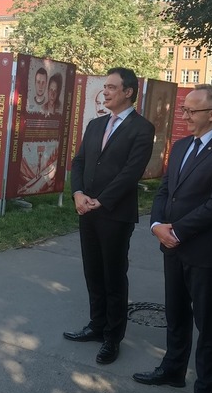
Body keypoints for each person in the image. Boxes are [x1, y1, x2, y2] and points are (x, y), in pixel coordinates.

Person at [133, 84, 212, 393]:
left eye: (190, 110)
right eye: (184, 109)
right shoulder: (182, 146)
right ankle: (172, 371)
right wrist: (157, 224)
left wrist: (177, 232)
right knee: (176, 314)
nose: (183, 115)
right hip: (172, 246)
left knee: (208, 326)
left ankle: (205, 389)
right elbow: (164, 191)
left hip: (206, 252)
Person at [65, 67, 155, 365]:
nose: (105, 91)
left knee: (113, 275)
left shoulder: (142, 129)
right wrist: (78, 194)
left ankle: (113, 337)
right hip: (86, 209)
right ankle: (96, 325)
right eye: (104, 87)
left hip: (115, 214)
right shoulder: (95, 124)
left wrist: (101, 201)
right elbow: (78, 163)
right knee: (93, 271)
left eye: (111, 87)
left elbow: (131, 172)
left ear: (128, 91)